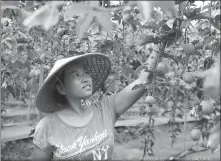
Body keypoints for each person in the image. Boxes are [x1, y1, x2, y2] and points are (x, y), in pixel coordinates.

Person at [32, 53, 150, 161]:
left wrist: (160, 42)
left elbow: (142, 81)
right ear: (61, 88)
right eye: (76, 75)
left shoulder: (105, 109)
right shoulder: (47, 127)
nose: (85, 78)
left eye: (86, 73)